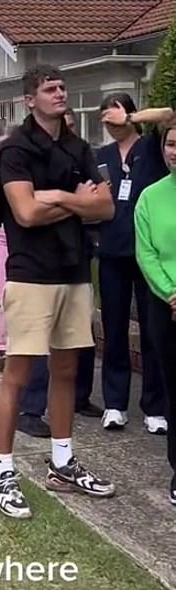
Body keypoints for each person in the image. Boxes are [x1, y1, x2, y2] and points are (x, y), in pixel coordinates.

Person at [0, 65, 116, 518]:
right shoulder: (15, 151)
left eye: (62, 87)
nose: (60, 94)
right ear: (29, 99)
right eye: (50, 89)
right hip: (31, 273)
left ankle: (62, 463)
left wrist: (54, 199)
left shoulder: (79, 148)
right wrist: (71, 199)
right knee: (18, 376)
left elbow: (106, 205)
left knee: (66, 370)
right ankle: (3, 470)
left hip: (75, 272)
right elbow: (23, 213)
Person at [96, 94, 174, 433]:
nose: (109, 122)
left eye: (114, 114)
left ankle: (154, 406)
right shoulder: (101, 156)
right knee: (113, 329)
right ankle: (115, 403)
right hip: (113, 251)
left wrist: (131, 119)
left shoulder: (153, 145)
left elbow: (169, 113)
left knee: (152, 332)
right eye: (104, 116)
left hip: (148, 256)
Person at [135, 126, 176, 506]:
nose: (174, 152)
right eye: (170, 144)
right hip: (168, 305)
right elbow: (146, 254)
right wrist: (170, 293)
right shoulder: (150, 196)